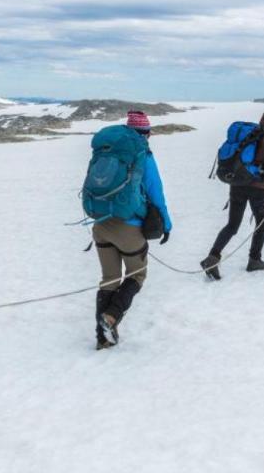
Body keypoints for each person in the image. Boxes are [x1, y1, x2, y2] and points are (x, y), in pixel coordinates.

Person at [93, 111, 172, 350]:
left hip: (101, 224)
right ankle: (111, 317)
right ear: (145, 134)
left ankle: (102, 338)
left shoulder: (107, 152)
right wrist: (166, 224)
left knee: (109, 279)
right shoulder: (143, 156)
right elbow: (156, 193)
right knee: (137, 275)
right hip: (129, 227)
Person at [200, 109, 264, 280]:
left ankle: (212, 257)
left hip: (237, 184)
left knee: (232, 225)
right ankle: (254, 260)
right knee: (261, 224)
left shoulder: (252, 134)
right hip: (258, 188)